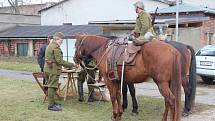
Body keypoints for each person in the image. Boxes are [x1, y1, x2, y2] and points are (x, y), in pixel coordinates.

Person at [44, 32, 76, 111]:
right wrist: (72, 65)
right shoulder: (55, 48)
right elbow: (59, 61)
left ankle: (53, 102)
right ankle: (51, 105)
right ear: (57, 39)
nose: (61, 43)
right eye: (61, 41)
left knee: (51, 86)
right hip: (53, 70)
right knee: (52, 87)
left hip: (48, 69)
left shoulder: (50, 46)